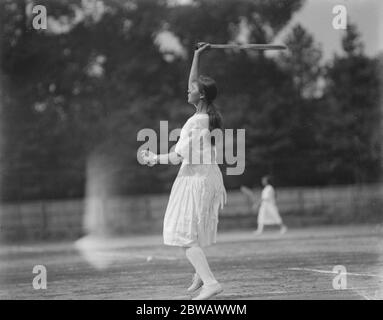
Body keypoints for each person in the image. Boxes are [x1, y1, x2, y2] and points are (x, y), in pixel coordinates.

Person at [141, 42, 227, 300]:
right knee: (188, 232)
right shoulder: (204, 115)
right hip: (204, 177)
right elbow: (194, 82)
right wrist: (197, 55)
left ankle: (211, 282)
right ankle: (201, 274)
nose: (186, 89)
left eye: (191, 89)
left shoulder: (196, 122)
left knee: (182, 235)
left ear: (200, 96)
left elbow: (178, 156)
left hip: (197, 180)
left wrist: (152, 158)